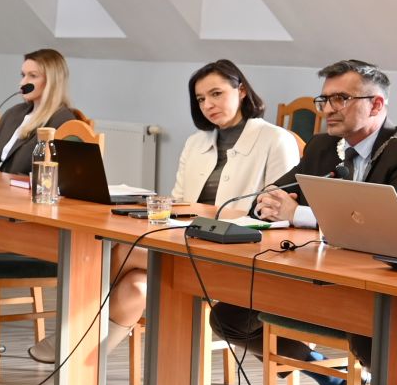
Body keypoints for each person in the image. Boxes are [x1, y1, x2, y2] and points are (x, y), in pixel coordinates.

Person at [209, 59, 397, 385]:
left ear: (376, 105)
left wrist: (298, 213)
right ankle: (334, 381)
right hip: (324, 270)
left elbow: (389, 220)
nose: (328, 109)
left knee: (371, 341)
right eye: (324, 99)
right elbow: (272, 195)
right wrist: (269, 203)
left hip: (386, 284)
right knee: (229, 317)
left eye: (340, 99)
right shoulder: (322, 146)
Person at [30, 60, 300, 364]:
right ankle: (78, 365)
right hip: (190, 241)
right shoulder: (196, 142)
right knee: (135, 287)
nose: (208, 105)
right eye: (201, 99)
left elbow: (279, 212)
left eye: (216, 94)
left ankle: (68, 335)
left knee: (125, 251)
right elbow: (179, 201)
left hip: (239, 251)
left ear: (241, 91)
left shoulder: (276, 139)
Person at [0, 49, 76, 174]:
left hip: (17, 187)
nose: (23, 82)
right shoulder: (13, 113)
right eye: (23, 75)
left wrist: (3, 178)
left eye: (33, 76)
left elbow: (50, 176)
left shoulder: (62, 121)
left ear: (52, 82)